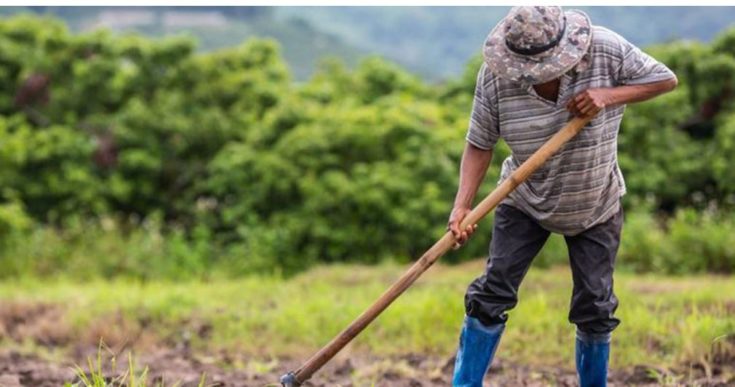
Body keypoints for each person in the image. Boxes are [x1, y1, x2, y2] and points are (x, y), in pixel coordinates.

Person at [448, 6, 677, 387]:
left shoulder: (604, 49)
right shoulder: (494, 77)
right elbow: (479, 143)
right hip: (524, 199)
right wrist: (462, 206)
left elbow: (665, 80)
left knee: (595, 305)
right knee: (492, 292)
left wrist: (609, 95)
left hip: (594, 201)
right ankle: (465, 384)